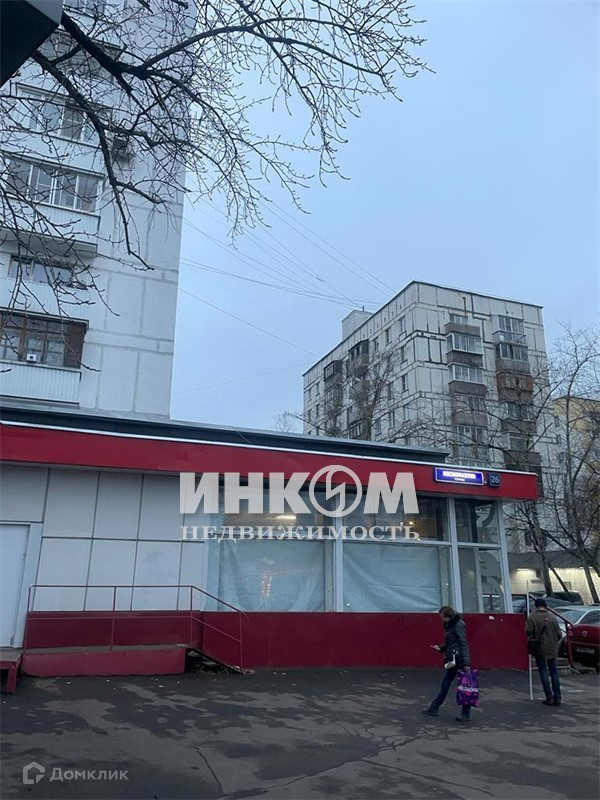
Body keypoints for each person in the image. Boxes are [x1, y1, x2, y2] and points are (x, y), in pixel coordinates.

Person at [423, 606, 472, 722]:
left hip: (459, 659)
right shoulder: (448, 625)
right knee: (445, 682)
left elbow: (463, 643)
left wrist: (466, 663)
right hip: (451, 658)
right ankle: (434, 707)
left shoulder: (458, 625)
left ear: (448, 615)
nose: (441, 618)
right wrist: (440, 648)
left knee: (464, 685)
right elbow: (450, 642)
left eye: (442, 616)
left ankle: (465, 713)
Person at [526, 597, 562, 706]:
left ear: (536, 606)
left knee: (543, 671)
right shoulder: (552, 616)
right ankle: (558, 697)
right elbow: (559, 634)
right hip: (552, 648)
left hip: (539, 648)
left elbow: (528, 631)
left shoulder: (532, 617)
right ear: (545, 606)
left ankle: (549, 697)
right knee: (553, 671)